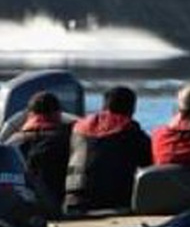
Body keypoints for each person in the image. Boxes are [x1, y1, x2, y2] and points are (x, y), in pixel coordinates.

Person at [61, 86, 153, 214]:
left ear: (104, 105)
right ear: (132, 108)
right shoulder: (132, 133)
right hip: (114, 203)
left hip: (73, 202)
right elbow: (150, 167)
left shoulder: (77, 130)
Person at [3, 90, 73, 216]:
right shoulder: (70, 139)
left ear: (30, 115)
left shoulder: (13, 143)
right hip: (61, 210)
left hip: (22, 210)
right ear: (58, 115)